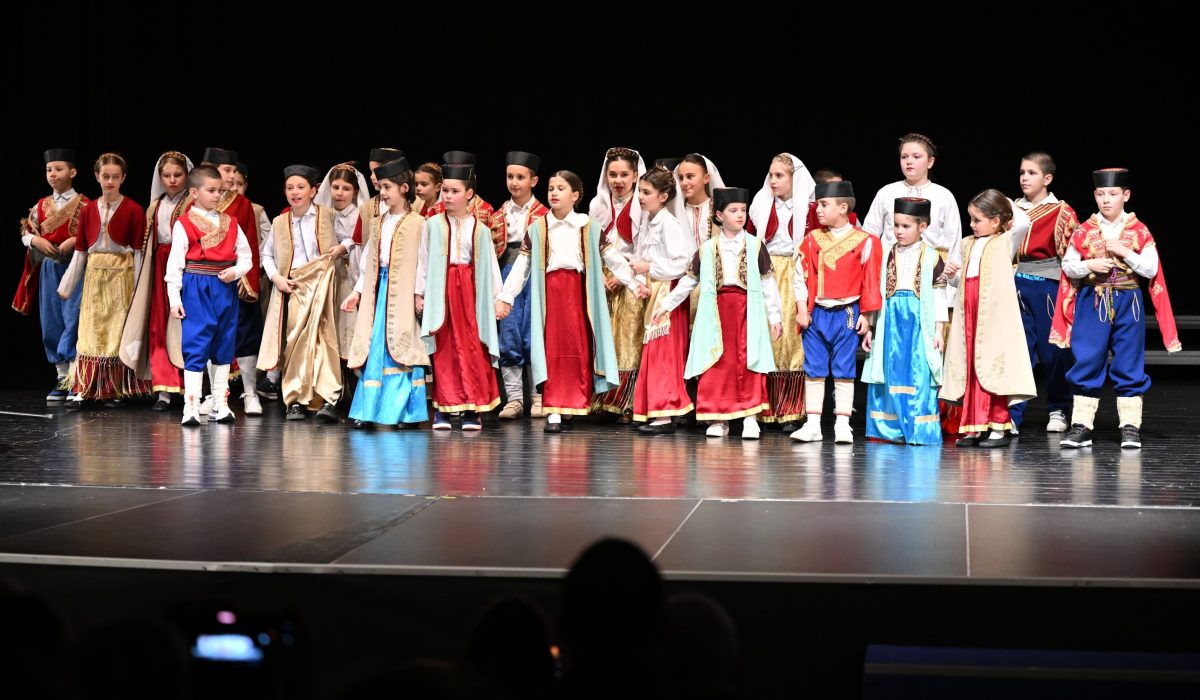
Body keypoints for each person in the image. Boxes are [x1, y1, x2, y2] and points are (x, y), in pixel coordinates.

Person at [1053, 168, 1180, 449]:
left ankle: (1130, 426)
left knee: (1129, 359)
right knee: (1087, 357)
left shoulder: (1139, 230)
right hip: (1093, 299)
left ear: (1126, 195)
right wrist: (1089, 265)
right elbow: (1068, 266)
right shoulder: (1084, 230)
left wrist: (1125, 252)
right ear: (1095, 196)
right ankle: (1082, 425)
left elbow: (1151, 269)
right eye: (1101, 194)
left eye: (1112, 194)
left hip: (1128, 300)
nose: (1106, 200)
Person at [496, 169, 621, 432]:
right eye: (551, 188)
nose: (554, 193)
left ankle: (573, 404)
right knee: (551, 350)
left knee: (578, 349)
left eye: (561, 188)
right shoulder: (538, 228)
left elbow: (613, 258)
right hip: (550, 294)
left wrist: (633, 282)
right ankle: (554, 408)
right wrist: (506, 297)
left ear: (575, 195)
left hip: (578, 293)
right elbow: (522, 266)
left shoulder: (588, 226)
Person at [654, 187, 782, 439]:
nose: (740, 215)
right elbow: (689, 281)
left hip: (747, 311)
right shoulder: (707, 248)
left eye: (743, 210)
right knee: (716, 363)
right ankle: (718, 418)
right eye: (733, 211)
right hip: (715, 312)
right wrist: (666, 305)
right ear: (720, 215)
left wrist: (775, 316)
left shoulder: (755, 245)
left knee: (748, 361)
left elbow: (768, 284)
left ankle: (750, 418)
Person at [940, 189, 1035, 447]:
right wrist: (952, 275)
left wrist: (1001, 198)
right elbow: (964, 281)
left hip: (991, 318)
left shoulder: (1005, 241)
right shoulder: (967, 243)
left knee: (992, 368)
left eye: (977, 220)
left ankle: (997, 428)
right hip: (969, 315)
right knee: (971, 369)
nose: (972, 224)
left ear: (995, 221)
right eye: (971, 219)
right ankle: (974, 427)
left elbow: (1023, 222)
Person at [790, 180, 881, 443]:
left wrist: (867, 316)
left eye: (823, 204)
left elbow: (870, 281)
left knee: (844, 368)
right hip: (817, 313)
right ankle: (813, 424)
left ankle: (843, 424)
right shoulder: (811, 240)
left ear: (843, 207)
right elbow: (799, 276)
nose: (817, 209)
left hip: (847, 312)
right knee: (814, 368)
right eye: (818, 204)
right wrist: (801, 309)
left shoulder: (866, 241)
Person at [341, 158, 429, 429]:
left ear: (404, 188)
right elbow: (369, 262)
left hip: (403, 293)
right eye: (381, 188)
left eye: (388, 187)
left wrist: (419, 293)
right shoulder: (378, 223)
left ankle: (406, 413)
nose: (384, 193)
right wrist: (357, 292)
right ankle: (369, 411)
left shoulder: (419, 223)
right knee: (375, 346)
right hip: (379, 292)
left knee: (402, 347)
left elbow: (424, 262)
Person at [415, 163, 503, 431]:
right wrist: (419, 293)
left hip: (471, 293)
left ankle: (471, 409)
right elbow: (423, 260)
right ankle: (443, 407)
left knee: (473, 348)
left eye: (455, 191)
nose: (448, 196)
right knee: (446, 349)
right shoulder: (432, 225)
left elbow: (490, 267)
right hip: (442, 293)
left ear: (469, 194)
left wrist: (499, 298)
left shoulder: (481, 229)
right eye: (445, 191)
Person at [57, 153, 150, 406]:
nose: (110, 182)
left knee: (116, 331)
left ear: (123, 178)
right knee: (89, 330)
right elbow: (81, 250)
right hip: (95, 276)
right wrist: (67, 286)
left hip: (122, 276)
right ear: (97, 177)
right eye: (105, 176)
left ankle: (114, 388)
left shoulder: (134, 209)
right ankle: (85, 387)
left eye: (115, 177)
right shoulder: (88, 210)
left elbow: (139, 253)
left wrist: (139, 289)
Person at [258, 165, 348, 423]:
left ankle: (327, 398)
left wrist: (340, 248)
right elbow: (266, 255)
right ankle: (295, 399)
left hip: (323, 284)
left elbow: (350, 239)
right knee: (296, 341)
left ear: (313, 191)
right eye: (290, 188)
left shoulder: (328, 215)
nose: (295, 192)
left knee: (324, 340)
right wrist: (277, 278)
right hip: (295, 285)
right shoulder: (280, 222)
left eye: (300, 187)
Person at [165, 165, 253, 425]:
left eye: (220, 191)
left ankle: (219, 403)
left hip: (223, 287)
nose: (217, 195)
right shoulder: (184, 224)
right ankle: (191, 406)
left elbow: (246, 256)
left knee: (224, 343)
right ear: (194, 192)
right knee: (196, 342)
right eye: (211, 190)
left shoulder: (231, 223)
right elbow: (175, 265)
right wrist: (175, 299)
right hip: (197, 286)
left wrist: (235, 272)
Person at [861, 198, 947, 445]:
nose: (899, 231)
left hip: (919, 320)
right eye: (896, 225)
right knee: (890, 370)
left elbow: (939, 295)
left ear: (923, 226)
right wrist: (871, 326)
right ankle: (890, 428)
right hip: (890, 319)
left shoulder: (932, 257)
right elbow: (876, 292)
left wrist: (939, 329)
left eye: (906, 226)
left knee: (918, 371)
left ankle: (918, 428)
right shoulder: (886, 254)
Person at [1009, 151, 1079, 433]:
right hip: (1015, 283)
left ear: (1047, 178)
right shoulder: (1011, 208)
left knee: (1054, 352)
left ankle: (1059, 408)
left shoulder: (1061, 211)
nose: (1025, 178)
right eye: (1022, 172)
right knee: (1018, 351)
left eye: (1032, 173)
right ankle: (1012, 413)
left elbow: (1072, 253)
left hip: (1049, 286)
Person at [13, 148, 88, 401]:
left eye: (58, 169)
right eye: (49, 170)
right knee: (52, 319)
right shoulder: (40, 205)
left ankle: (77, 377)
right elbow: (26, 233)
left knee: (74, 318)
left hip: (76, 266)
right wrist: (36, 240)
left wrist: (75, 240)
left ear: (72, 172)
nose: (53, 174)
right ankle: (62, 377)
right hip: (49, 267)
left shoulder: (86, 205)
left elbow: (95, 235)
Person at [120, 151, 193, 410]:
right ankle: (164, 389)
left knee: (187, 327)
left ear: (187, 175)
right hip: (160, 267)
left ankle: (192, 388)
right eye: (167, 175)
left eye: (178, 175)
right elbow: (147, 246)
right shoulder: (155, 206)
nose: (172, 180)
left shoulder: (193, 203)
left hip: (188, 268)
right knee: (159, 327)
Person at [748, 153, 816, 431]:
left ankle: (791, 410)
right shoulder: (760, 204)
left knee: (792, 341)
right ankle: (763, 408)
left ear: (794, 178)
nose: (773, 181)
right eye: (771, 175)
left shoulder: (809, 209)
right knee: (766, 338)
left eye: (780, 175)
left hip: (797, 271)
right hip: (765, 271)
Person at [491, 151, 549, 420]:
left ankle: (538, 397)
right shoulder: (497, 215)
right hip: (506, 273)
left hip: (534, 277)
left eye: (520, 177)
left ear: (533, 181)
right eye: (510, 177)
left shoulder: (545, 215)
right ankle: (514, 399)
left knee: (534, 334)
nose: (514, 182)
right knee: (509, 335)